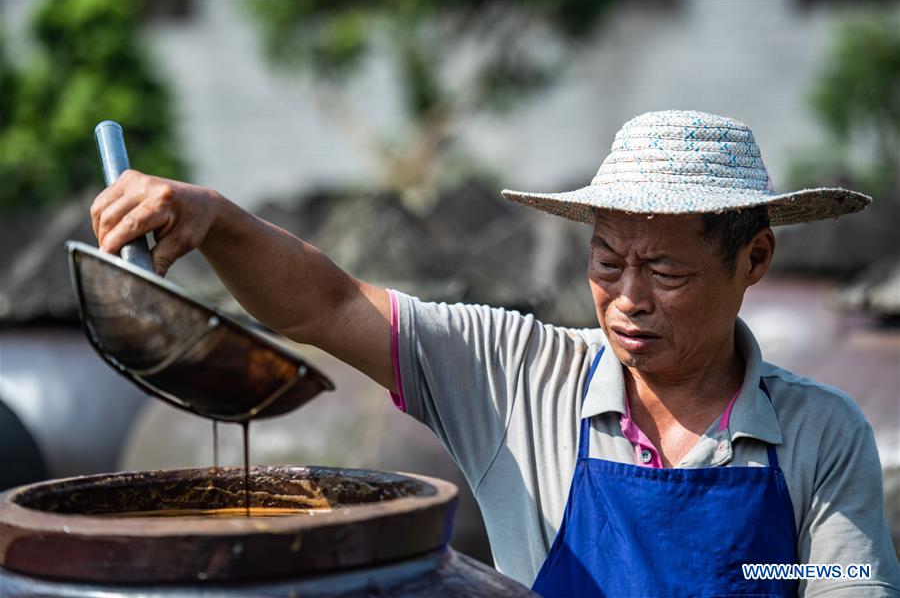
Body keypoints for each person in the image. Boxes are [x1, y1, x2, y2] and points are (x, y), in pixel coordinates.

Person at [90, 110, 900, 596]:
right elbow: (329, 303)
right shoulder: (516, 373)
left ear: (753, 259)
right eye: (607, 260)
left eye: (666, 271)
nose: (627, 298)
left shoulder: (820, 434)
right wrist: (218, 219)